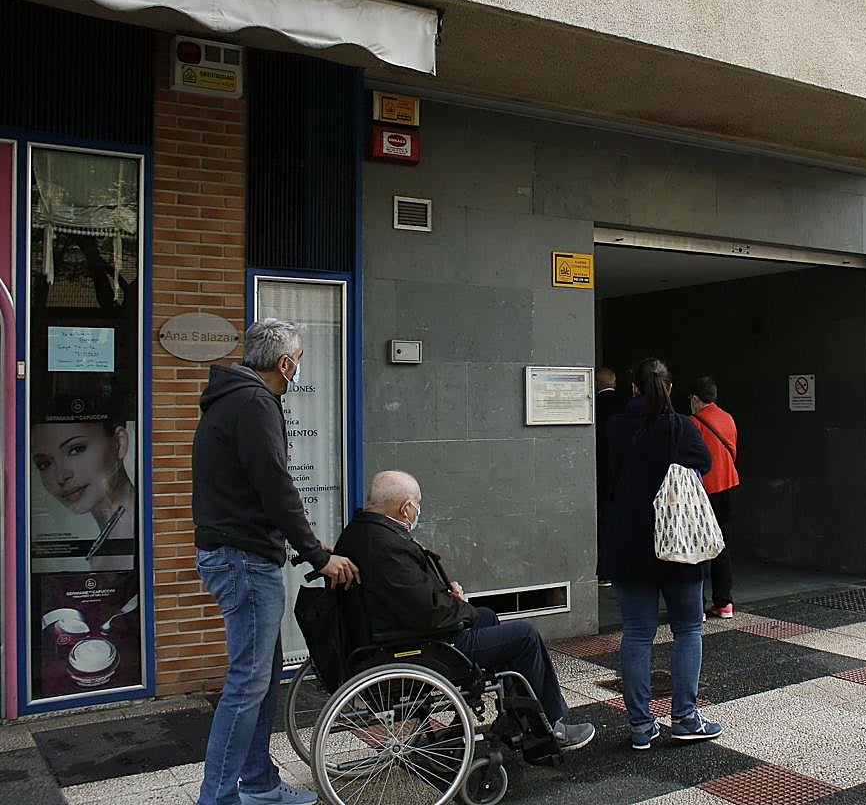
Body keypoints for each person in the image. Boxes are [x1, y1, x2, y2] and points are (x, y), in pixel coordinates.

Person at [192, 318, 360, 805]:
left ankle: (260, 783)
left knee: (263, 679)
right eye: (299, 360)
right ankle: (217, 798)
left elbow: (258, 486)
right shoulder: (254, 402)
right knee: (248, 683)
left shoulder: (234, 398)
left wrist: (307, 546)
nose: (299, 369)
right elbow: (276, 487)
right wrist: (317, 555)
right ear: (284, 363)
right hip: (243, 560)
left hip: (237, 553)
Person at [334, 470, 595, 751]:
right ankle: (549, 726)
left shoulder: (360, 533)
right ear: (405, 508)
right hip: (419, 645)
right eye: (417, 504)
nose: (418, 511)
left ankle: (518, 717)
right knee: (525, 636)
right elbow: (428, 612)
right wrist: (458, 604)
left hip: (391, 633)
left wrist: (448, 598)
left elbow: (408, 596)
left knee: (488, 617)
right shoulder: (386, 546)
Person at [600, 357, 722, 750]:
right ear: (668, 388)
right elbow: (704, 462)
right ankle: (685, 718)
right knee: (687, 629)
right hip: (678, 543)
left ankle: (640, 725)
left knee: (637, 634)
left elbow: (611, 474)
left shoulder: (616, 425)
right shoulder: (679, 426)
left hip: (629, 543)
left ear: (634, 388)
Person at [31, 409, 135, 572]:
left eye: (76, 449)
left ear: (119, 443)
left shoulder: (133, 534)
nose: (61, 476)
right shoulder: (113, 538)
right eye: (44, 464)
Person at [688, 376, 740, 620]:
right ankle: (724, 602)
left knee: (698, 546)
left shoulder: (693, 423)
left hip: (703, 490)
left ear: (695, 399)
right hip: (728, 484)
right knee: (721, 544)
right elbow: (733, 451)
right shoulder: (728, 418)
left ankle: (698, 606)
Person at [594, 366, 621, 586]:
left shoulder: (594, 406)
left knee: (604, 520)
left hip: (601, 472)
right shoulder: (625, 405)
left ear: (596, 384)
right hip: (623, 472)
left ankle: (605, 571)